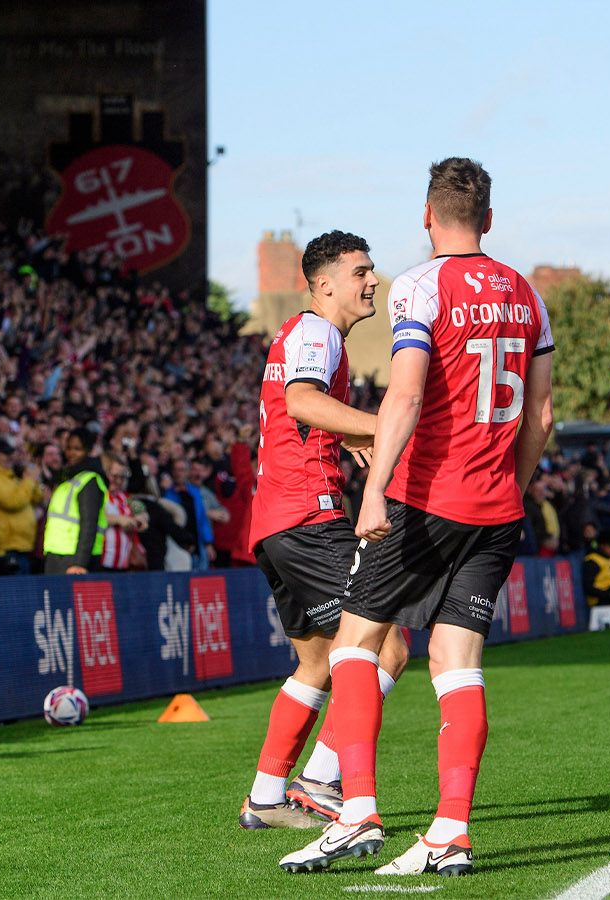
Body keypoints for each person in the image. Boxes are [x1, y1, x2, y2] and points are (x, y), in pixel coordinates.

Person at [281, 159, 555, 876]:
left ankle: (357, 811)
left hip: (427, 498)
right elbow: (543, 414)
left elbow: (403, 399)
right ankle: (450, 831)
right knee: (456, 662)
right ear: (488, 219)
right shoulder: (528, 295)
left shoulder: (422, 285)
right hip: (498, 506)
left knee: (354, 643)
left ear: (428, 217)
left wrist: (373, 493)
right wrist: (512, 488)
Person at [238, 231, 410, 831]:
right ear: (325, 283)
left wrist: (356, 437)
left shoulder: (310, 334)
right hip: (308, 516)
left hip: (277, 520)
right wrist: (380, 428)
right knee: (386, 646)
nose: (373, 281)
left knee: (316, 664)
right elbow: (303, 402)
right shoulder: (315, 331)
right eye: (362, 271)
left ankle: (265, 795)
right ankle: (322, 778)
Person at [43, 427, 106, 575]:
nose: (71, 453)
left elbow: (89, 525)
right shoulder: (68, 478)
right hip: (56, 555)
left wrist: (80, 563)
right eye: (69, 448)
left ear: (89, 450)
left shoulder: (90, 481)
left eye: (78, 449)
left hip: (74, 560)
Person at [0, 439, 43, 576]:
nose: (10, 457)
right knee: (12, 594)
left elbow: (35, 498)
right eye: (5, 454)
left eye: (12, 453)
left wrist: (33, 477)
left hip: (21, 546)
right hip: (6, 547)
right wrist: (30, 480)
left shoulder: (11, 475)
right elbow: (13, 502)